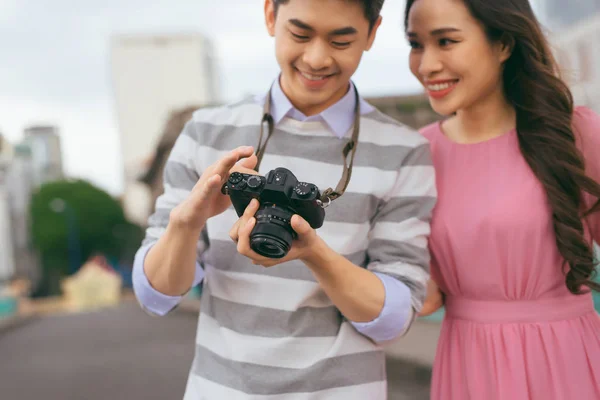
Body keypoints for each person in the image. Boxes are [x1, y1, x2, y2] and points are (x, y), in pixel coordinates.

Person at [132, 0, 437, 398]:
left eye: (341, 41)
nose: (316, 57)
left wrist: (313, 253)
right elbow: (156, 295)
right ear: (270, 16)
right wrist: (185, 224)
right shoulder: (205, 132)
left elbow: (393, 318)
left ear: (372, 32)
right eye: (300, 34)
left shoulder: (405, 151)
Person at [404, 0, 600, 398]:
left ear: (504, 43)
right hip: (468, 369)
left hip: (568, 365)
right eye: (417, 44)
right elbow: (422, 296)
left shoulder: (576, 133)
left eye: (446, 41)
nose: (426, 65)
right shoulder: (417, 154)